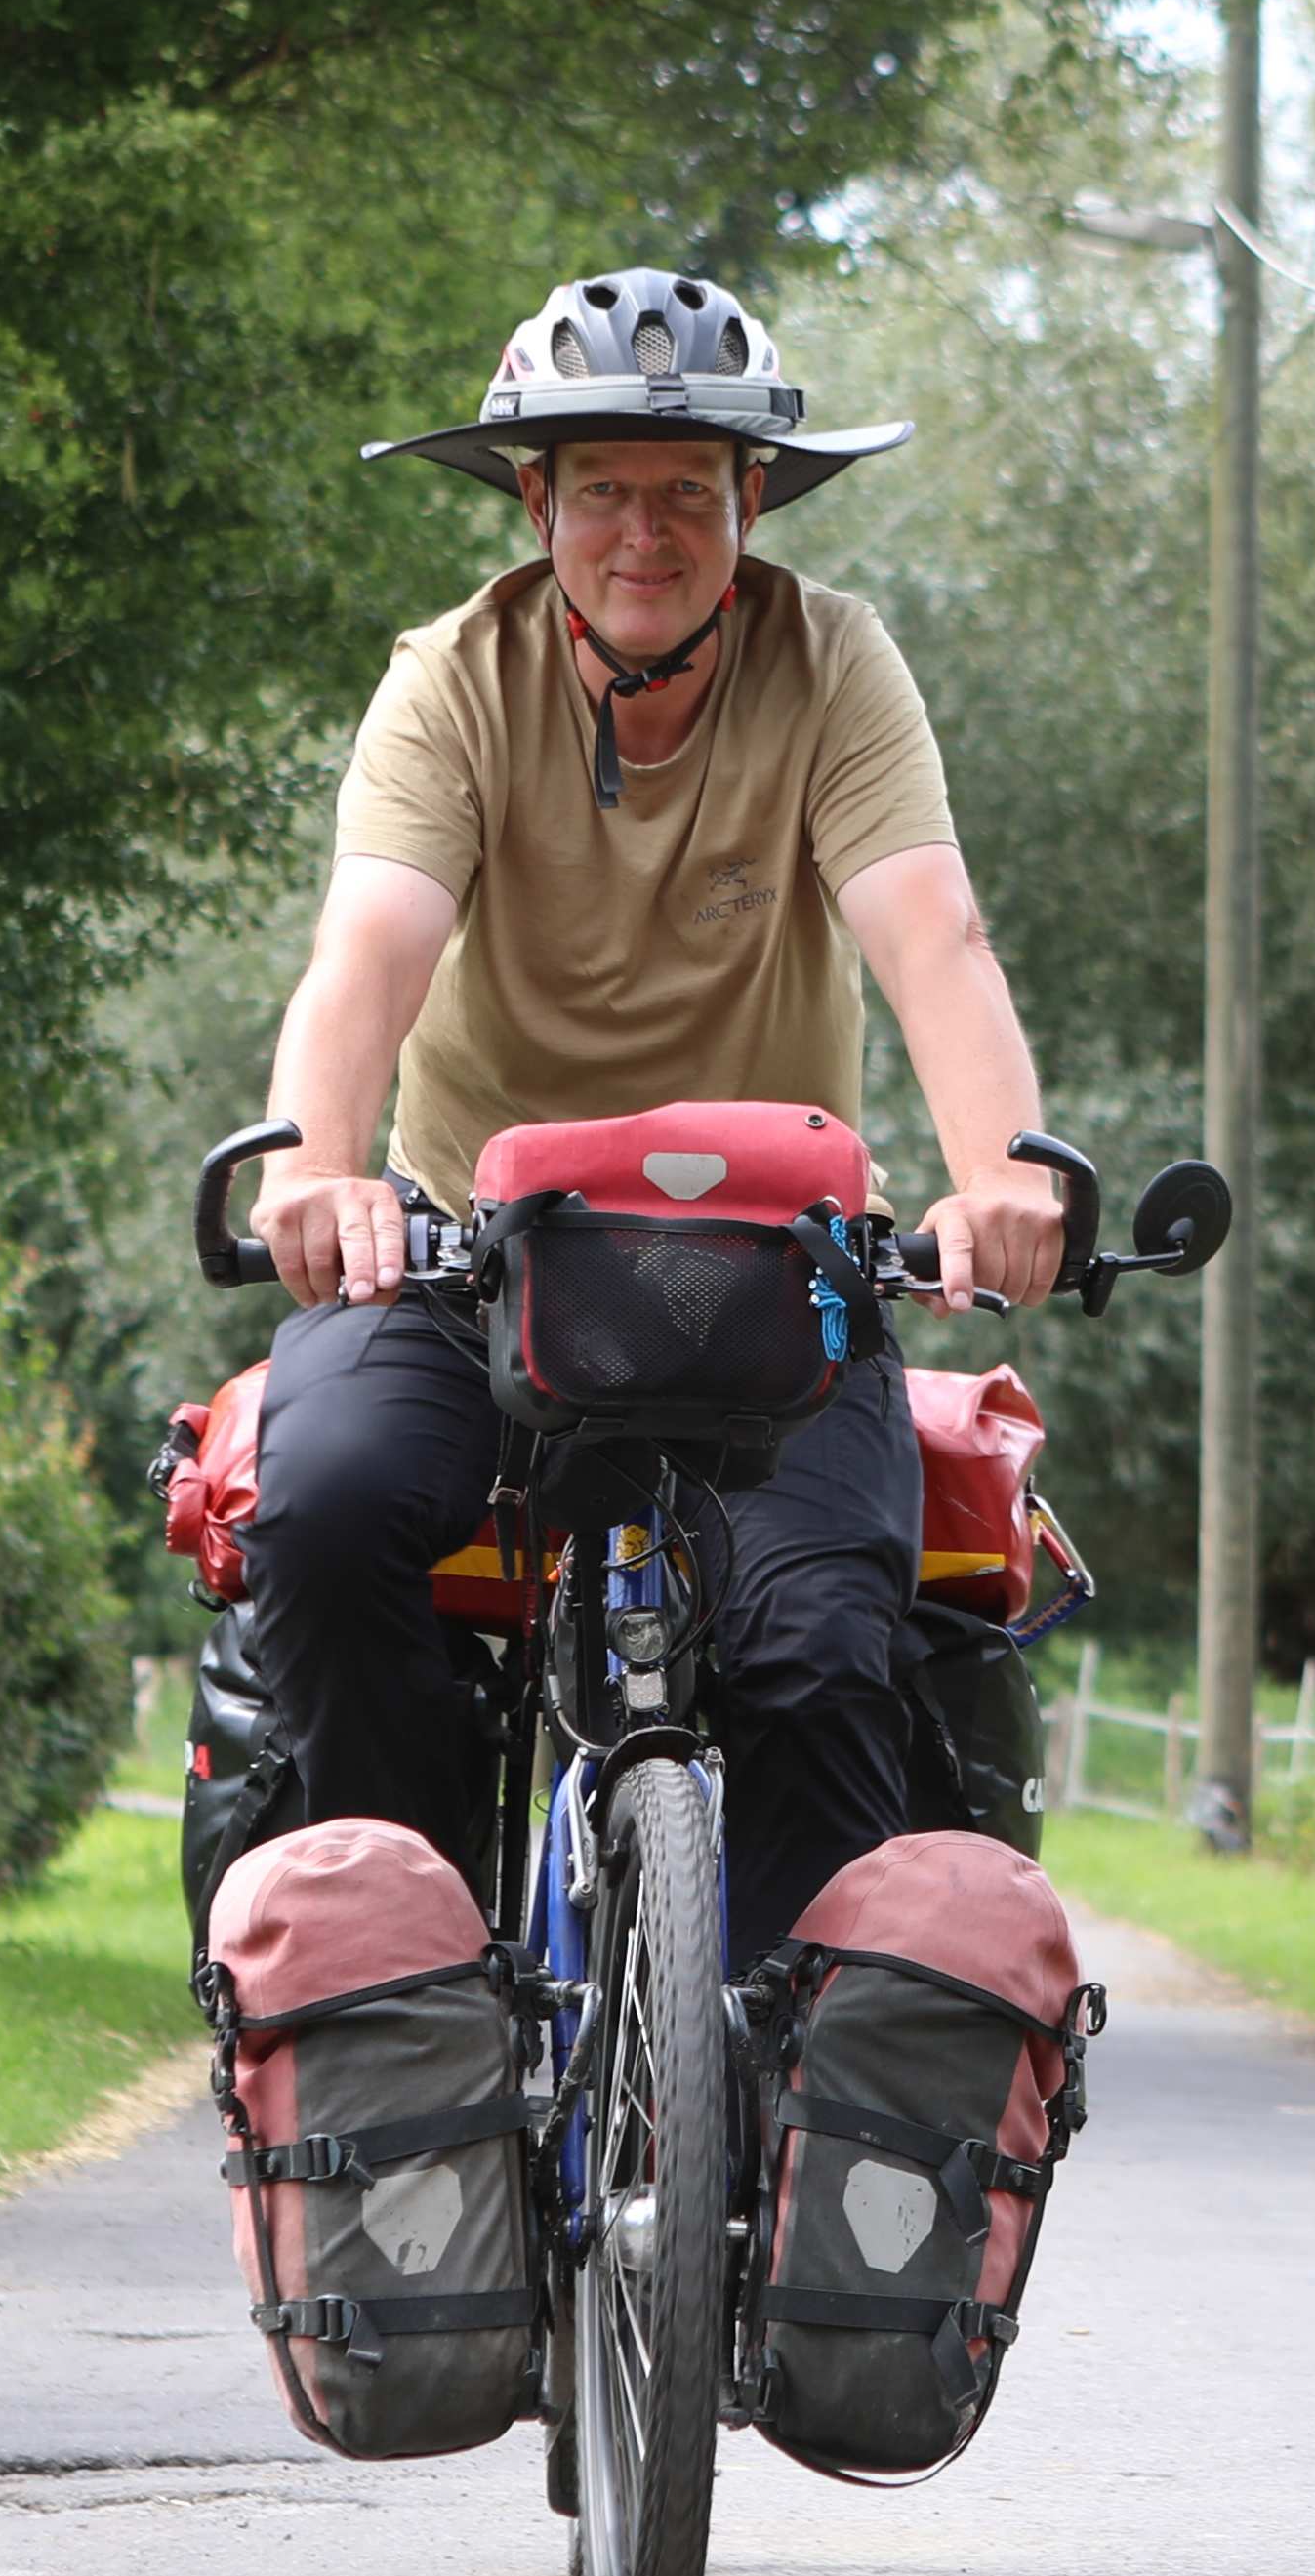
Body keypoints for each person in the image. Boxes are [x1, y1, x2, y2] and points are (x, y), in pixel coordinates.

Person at [235, 270, 1068, 1958]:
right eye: (601, 487)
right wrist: (319, 1168)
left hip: (771, 1263)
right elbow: (372, 946)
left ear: (751, 502)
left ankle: (793, 2091)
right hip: (472, 1250)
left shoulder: (834, 663)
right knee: (320, 1511)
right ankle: (402, 1974)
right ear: (534, 500)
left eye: (689, 491)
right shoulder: (452, 680)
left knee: (826, 1638)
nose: (645, 532)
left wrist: (999, 1176)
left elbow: (933, 933)